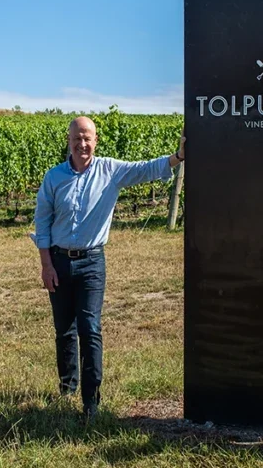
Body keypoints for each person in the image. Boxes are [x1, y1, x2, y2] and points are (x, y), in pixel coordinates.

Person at [33, 116, 186, 419]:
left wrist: (178, 157)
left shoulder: (110, 171)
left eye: (87, 137)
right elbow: (43, 223)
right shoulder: (54, 177)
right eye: (77, 138)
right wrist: (46, 265)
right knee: (64, 329)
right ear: (69, 141)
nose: (82, 144)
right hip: (59, 260)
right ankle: (67, 387)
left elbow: (146, 169)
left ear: (96, 140)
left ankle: (91, 401)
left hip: (91, 262)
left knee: (90, 329)